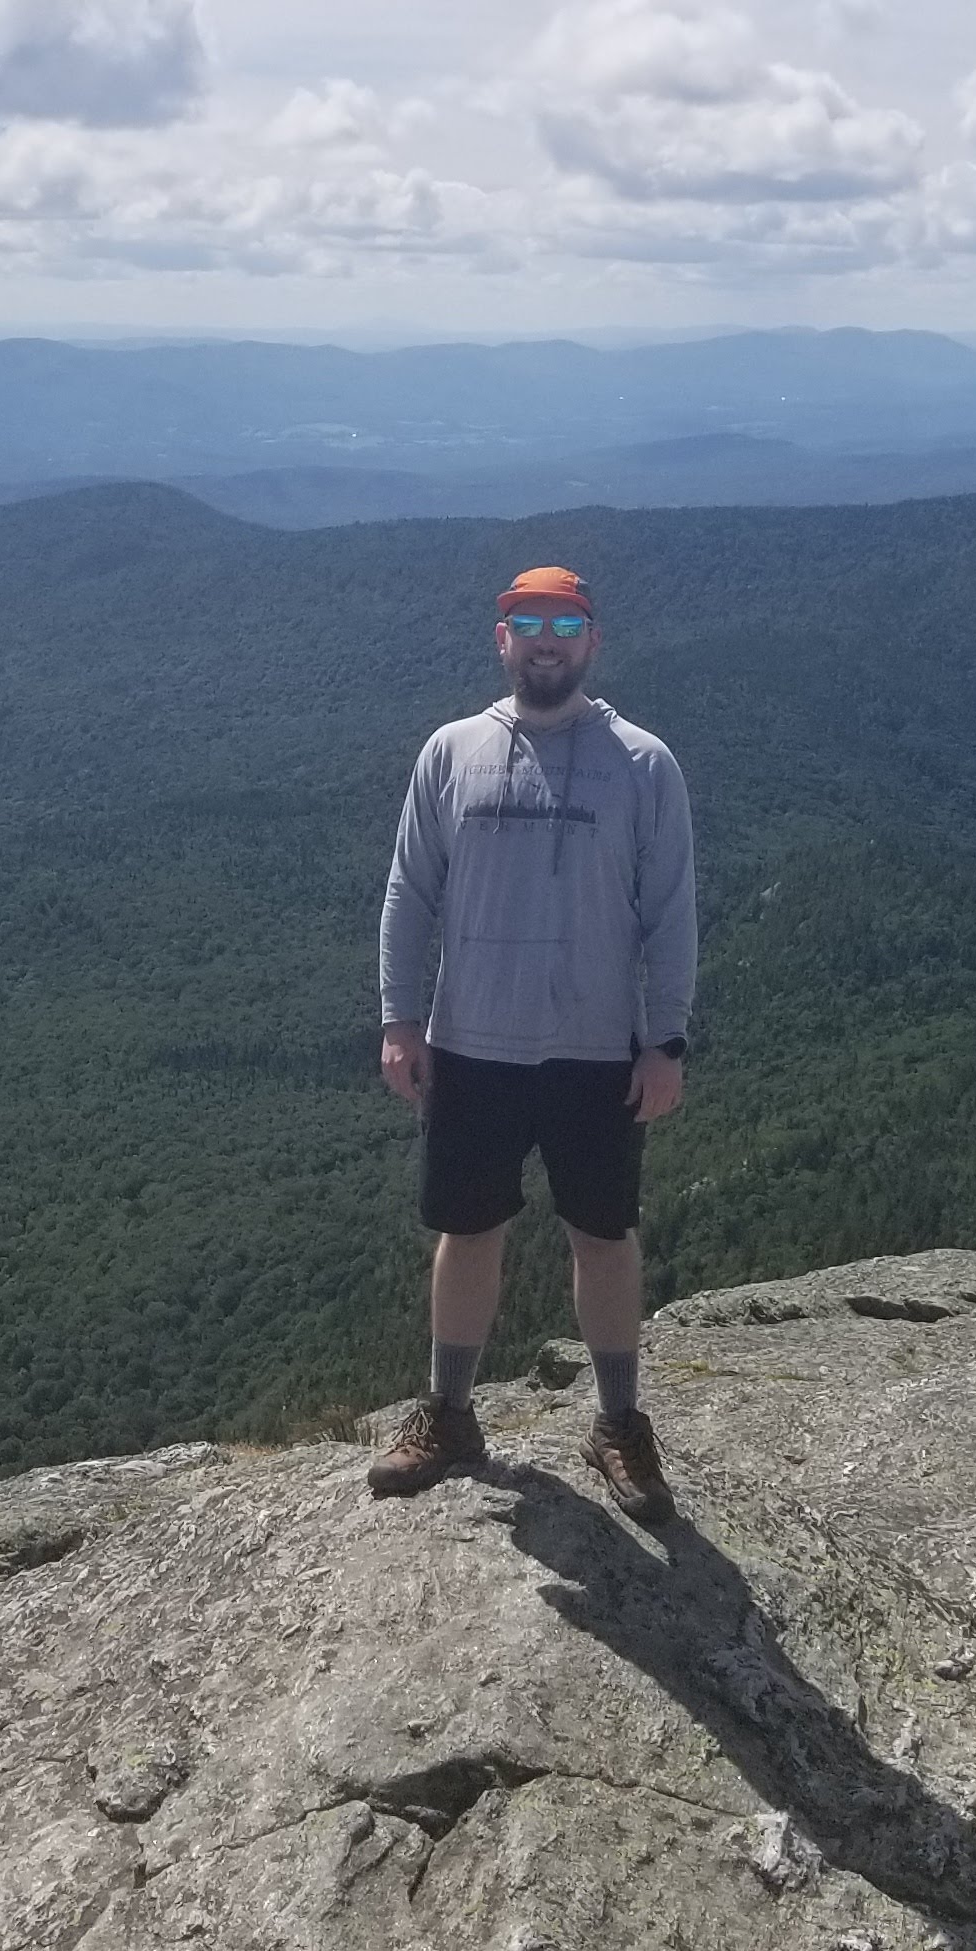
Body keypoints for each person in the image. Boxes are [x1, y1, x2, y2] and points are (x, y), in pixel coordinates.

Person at [369, 561, 697, 1519]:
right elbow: (408, 892)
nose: (546, 639)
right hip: (471, 1040)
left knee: (604, 1235)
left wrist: (665, 1041)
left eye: (565, 622)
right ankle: (450, 1412)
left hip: (598, 1047)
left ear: (592, 642)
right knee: (467, 1231)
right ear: (500, 638)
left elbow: (670, 913)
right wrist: (398, 1020)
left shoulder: (641, 763)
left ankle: (620, 1423)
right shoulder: (452, 750)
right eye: (527, 621)